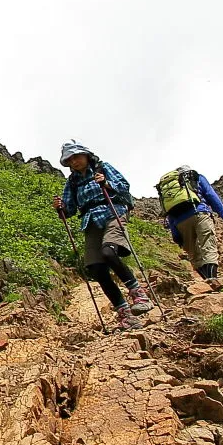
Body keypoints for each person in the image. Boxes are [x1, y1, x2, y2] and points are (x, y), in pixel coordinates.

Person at [52, 140, 152, 330]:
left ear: (86, 155)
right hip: (90, 221)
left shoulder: (102, 168)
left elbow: (124, 186)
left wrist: (106, 183)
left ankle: (139, 294)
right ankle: (126, 315)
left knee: (108, 252)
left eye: (77, 157)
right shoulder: (72, 182)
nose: (74, 162)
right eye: (70, 160)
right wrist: (61, 209)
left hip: (112, 213)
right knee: (96, 268)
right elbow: (70, 209)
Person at [159, 166, 223, 281]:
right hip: (200, 213)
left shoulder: (170, 189)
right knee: (208, 245)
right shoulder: (196, 178)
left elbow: (169, 212)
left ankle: (206, 280)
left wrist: (176, 235)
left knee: (194, 254)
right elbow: (211, 195)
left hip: (180, 222)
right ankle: (213, 280)